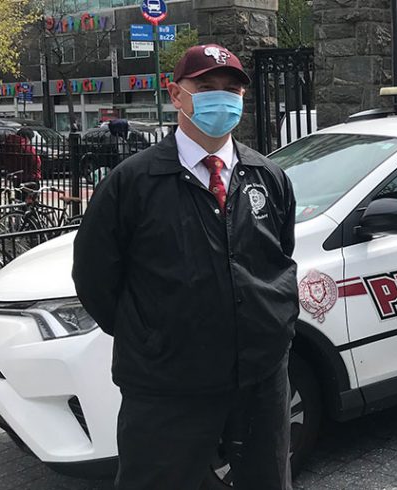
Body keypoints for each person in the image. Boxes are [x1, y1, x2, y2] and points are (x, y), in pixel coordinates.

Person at [72, 44, 299, 490]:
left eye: (231, 89)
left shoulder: (267, 176)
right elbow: (95, 277)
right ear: (176, 95)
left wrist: (275, 323)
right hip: (167, 385)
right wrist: (152, 335)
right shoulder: (132, 183)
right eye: (207, 87)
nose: (223, 97)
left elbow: (279, 255)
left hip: (259, 376)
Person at [0, 128, 42, 198]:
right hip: (30, 176)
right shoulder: (26, 147)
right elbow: (36, 162)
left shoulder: (8, 145)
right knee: (32, 199)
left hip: (16, 176)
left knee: (19, 197)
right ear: (26, 137)